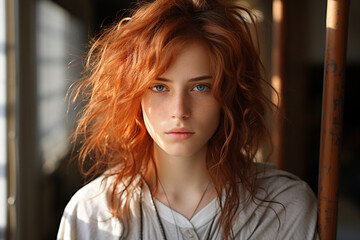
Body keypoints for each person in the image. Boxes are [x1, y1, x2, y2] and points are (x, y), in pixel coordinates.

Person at [57, 0, 318, 239]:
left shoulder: (283, 208)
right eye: (159, 87)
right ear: (133, 96)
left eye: (200, 87)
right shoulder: (93, 214)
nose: (179, 110)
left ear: (229, 95)